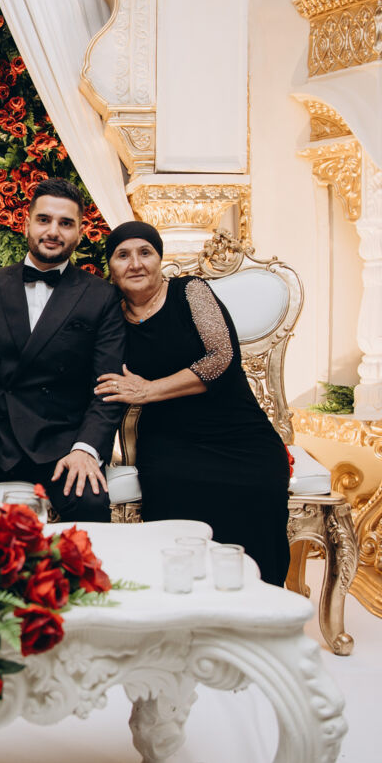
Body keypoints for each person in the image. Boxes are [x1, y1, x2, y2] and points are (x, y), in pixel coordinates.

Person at [95, 220, 290, 586]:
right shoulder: (111, 319)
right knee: (172, 498)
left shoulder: (190, 291)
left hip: (238, 434)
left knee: (259, 490)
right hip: (169, 440)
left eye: (145, 252)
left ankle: (256, 598)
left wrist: (149, 390)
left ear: (159, 259)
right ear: (111, 268)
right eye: (122, 255)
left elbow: (221, 357)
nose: (135, 263)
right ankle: (186, 600)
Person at [0, 177, 126, 522]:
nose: (53, 231)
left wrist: (86, 448)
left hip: (63, 436)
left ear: (80, 232)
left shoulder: (101, 296)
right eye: (44, 220)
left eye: (65, 223)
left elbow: (107, 387)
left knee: (90, 503)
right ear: (26, 224)